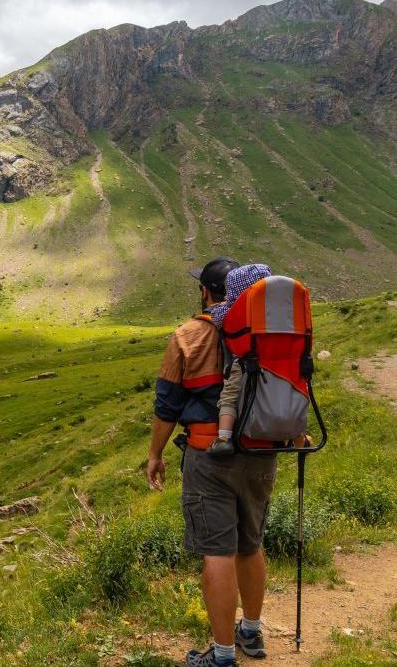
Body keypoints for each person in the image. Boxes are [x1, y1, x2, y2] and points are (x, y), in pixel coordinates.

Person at [146, 257, 277, 667]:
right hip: (261, 453)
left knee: (218, 551)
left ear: (205, 292)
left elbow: (167, 406)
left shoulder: (187, 337)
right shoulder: (265, 334)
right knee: (250, 543)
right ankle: (251, 633)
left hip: (208, 457)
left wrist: (155, 454)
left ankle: (221, 656)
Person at [203, 263, 273, 458]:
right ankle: (300, 436)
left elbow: (216, 317)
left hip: (244, 363)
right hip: (277, 363)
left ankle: (224, 438)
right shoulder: (278, 311)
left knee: (229, 396)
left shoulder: (233, 311)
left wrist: (224, 304)